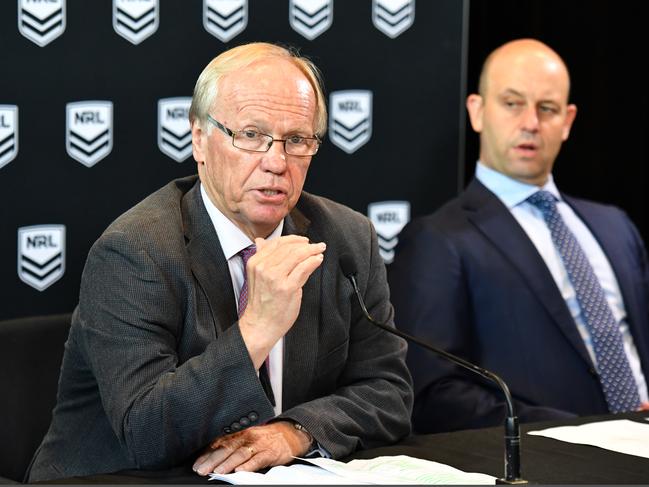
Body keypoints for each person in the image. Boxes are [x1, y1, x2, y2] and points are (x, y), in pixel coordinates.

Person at [28, 42, 413, 481]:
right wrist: (258, 329)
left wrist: (294, 433)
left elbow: (388, 392)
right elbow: (147, 433)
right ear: (199, 138)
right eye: (251, 135)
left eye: (296, 140)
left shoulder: (345, 238)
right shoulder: (135, 251)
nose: (276, 162)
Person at [388, 38, 649, 433]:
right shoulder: (438, 240)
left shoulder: (616, 227)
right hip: (556, 458)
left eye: (547, 108)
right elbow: (432, 394)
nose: (531, 122)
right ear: (477, 111)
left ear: (568, 121)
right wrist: (590, 430)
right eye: (512, 103)